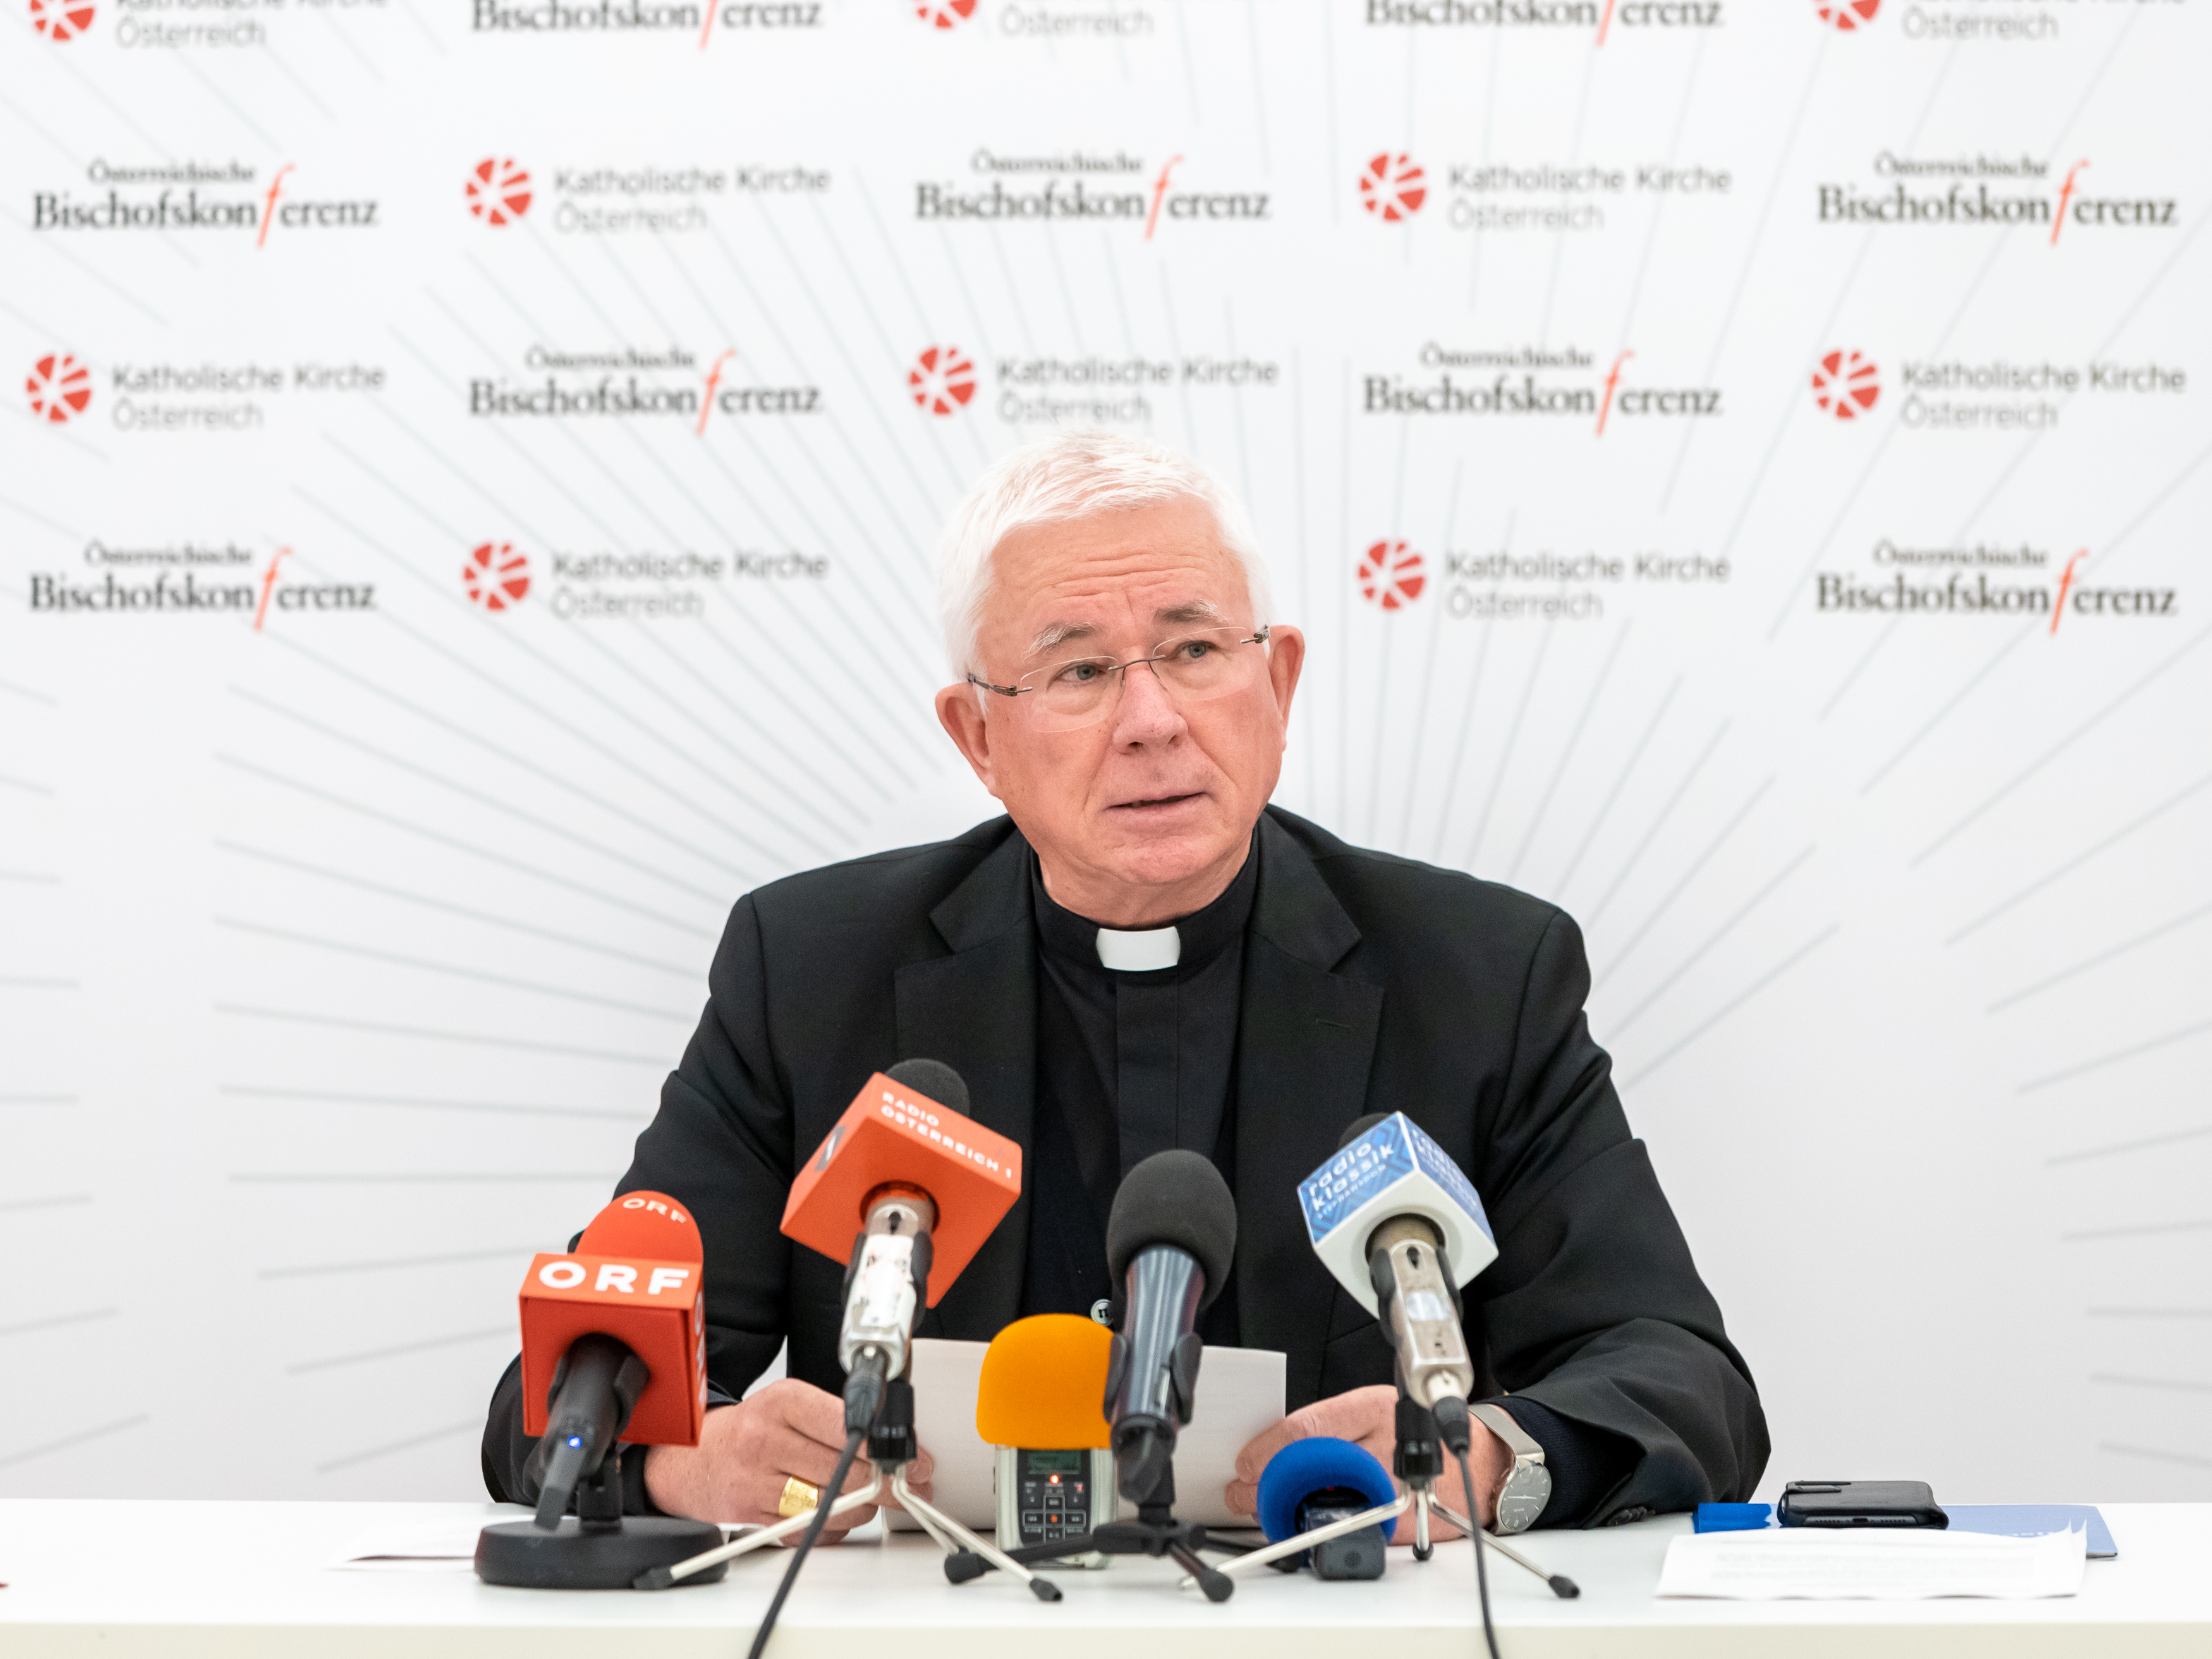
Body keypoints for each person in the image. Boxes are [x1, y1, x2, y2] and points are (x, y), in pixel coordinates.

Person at [482, 428, 1768, 1540]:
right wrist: (686, 1459)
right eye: (1081, 670)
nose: (1153, 719)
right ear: (978, 735)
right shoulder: (811, 971)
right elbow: (553, 1401)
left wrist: (1478, 1455)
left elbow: (1682, 1378)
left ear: (1278, 683)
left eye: (1195, 648)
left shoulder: (1477, 975)